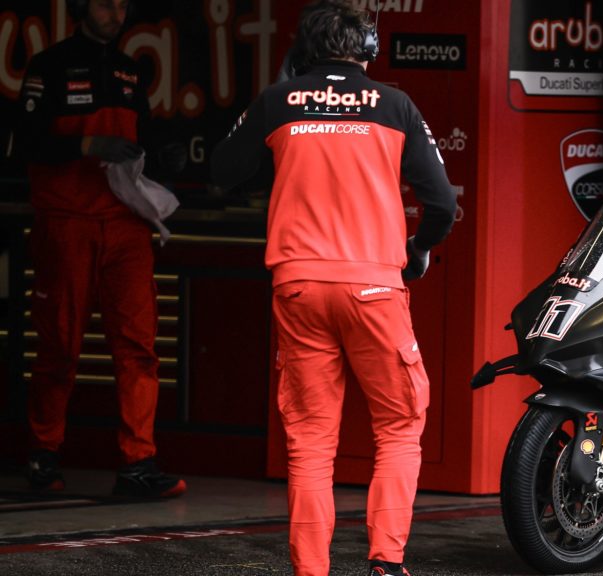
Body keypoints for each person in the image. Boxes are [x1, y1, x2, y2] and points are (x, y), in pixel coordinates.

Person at [210, 1, 457, 575]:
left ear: (303, 50)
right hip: (374, 286)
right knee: (399, 425)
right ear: (367, 49)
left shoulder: (278, 101)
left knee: (310, 441)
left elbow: (223, 170)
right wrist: (418, 248)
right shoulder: (394, 105)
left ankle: (311, 570)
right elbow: (442, 203)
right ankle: (386, 563)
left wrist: (277, 107)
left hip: (298, 286)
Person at [14, 0, 186, 498]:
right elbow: (25, 142)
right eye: (107, 2)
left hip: (126, 224)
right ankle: (43, 456)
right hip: (66, 221)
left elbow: (143, 143)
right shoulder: (49, 65)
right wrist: (88, 146)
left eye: (123, 4)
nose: (118, 12)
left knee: (139, 347)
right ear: (81, 7)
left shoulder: (130, 71)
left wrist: (167, 155)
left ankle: (138, 462)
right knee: (58, 345)